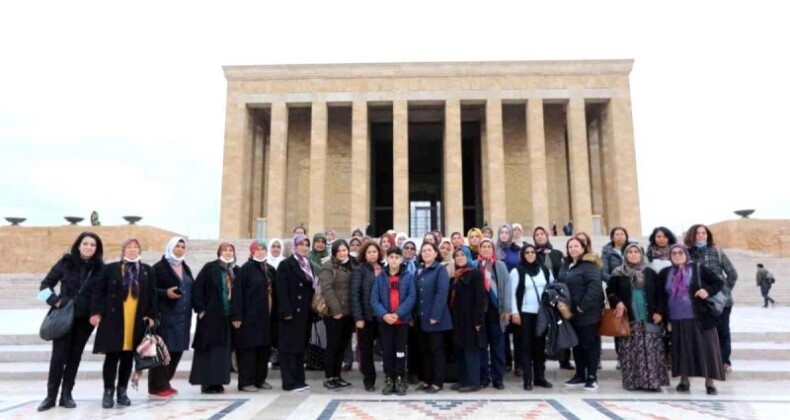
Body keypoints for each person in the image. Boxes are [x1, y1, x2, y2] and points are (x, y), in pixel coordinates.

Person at [38, 232, 104, 411]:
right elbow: (44, 285)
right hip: (64, 316)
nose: (89, 247)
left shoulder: (100, 268)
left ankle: (66, 395)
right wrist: (54, 301)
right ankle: (50, 396)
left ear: (97, 249)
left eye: (93, 245)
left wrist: (97, 313)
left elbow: (101, 294)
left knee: (75, 357)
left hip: (85, 320)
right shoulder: (66, 262)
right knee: (58, 357)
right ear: (79, 245)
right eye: (86, 244)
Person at [91, 238, 157, 408]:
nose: (132, 249)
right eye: (129, 246)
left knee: (128, 358)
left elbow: (152, 295)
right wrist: (96, 312)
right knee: (112, 357)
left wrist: (151, 315)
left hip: (136, 319)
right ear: (123, 250)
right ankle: (108, 392)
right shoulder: (111, 269)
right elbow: (99, 292)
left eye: (136, 246)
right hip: (114, 319)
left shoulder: (146, 271)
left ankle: (122, 391)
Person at [658, 243, 725, 395]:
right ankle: (684, 381)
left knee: (706, 350)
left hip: (700, 317)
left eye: (680, 252)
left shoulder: (698, 269)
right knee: (682, 350)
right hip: (677, 319)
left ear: (686, 253)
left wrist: (707, 290)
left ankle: (710, 382)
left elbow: (719, 282)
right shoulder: (665, 273)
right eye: (673, 253)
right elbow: (662, 295)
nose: (677, 255)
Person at [608, 244, 669, 391]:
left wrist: (660, 312)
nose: (633, 254)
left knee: (650, 352)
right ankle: (633, 382)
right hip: (629, 319)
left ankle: (652, 383)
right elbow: (610, 292)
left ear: (641, 254)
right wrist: (618, 302)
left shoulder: (650, 272)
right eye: (630, 252)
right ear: (625, 255)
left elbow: (661, 295)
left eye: (636, 252)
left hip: (649, 317)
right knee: (630, 352)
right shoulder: (618, 273)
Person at [685, 224, 738, 373]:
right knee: (702, 330)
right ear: (691, 236)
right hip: (698, 301)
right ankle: (706, 360)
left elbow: (732, 274)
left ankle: (724, 361)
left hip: (721, 301)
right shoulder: (687, 254)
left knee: (722, 330)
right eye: (697, 233)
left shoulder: (717, 252)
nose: (701, 236)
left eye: (704, 233)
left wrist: (724, 291)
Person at [149, 237, 194, 397]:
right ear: (170, 247)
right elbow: (150, 290)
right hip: (166, 317)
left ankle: (165, 382)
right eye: (177, 246)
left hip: (183, 317)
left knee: (177, 350)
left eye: (182, 247)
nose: (180, 249)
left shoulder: (185, 267)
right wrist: (165, 293)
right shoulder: (159, 268)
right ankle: (156, 387)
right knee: (163, 352)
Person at [190, 242, 237, 394]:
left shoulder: (234, 271)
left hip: (226, 317)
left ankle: (218, 381)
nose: (228, 252)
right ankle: (207, 382)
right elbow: (197, 289)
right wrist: (201, 310)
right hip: (211, 317)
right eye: (225, 250)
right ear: (219, 252)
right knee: (209, 350)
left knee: (222, 352)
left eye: (231, 250)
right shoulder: (210, 268)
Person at [371, 246, 417, 395]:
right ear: (387, 259)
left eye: (397, 257)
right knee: (387, 351)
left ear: (401, 259)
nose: (394, 260)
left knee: (400, 352)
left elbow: (411, 297)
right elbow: (374, 299)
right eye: (391, 257)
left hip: (401, 322)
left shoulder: (408, 276)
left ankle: (399, 377)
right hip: (385, 322)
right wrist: (384, 314)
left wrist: (398, 314)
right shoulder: (380, 277)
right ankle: (389, 378)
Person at [559, 237, 603, 391]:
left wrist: (581, 307)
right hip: (570, 314)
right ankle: (579, 374)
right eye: (570, 246)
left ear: (583, 248)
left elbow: (595, 288)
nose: (573, 249)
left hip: (587, 314)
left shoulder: (589, 266)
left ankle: (591, 376)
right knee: (576, 345)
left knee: (589, 345)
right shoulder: (567, 266)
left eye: (576, 246)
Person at [232, 240, 275, 392]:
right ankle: (246, 382)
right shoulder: (246, 269)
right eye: (257, 249)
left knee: (263, 350)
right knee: (248, 351)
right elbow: (238, 293)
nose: (261, 251)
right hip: (249, 317)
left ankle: (260, 379)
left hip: (265, 318)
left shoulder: (268, 269)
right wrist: (236, 316)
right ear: (252, 252)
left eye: (263, 249)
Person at [509, 244, 554, 391]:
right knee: (526, 347)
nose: (530, 254)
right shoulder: (517, 272)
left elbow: (552, 287)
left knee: (540, 346)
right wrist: (515, 312)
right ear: (522, 255)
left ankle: (540, 377)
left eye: (532, 252)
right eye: (526, 252)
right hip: (524, 314)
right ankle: (527, 379)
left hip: (541, 313)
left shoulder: (544, 270)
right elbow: (511, 294)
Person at [274, 234, 315, 391]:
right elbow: (281, 290)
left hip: (304, 314)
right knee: (288, 348)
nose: (304, 247)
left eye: (306, 244)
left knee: (299, 347)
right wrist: (286, 311)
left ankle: (299, 379)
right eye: (301, 244)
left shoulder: (307, 264)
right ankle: (289, 382)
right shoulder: (286, 264)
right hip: (291, 313)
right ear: (294, 246)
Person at [414, 242, 453, 393]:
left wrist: (435, 315)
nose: (426, 252)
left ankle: (437, 382)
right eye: (424, 250)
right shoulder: (419, 270)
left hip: (435, 319)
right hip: (421, 319)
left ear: (436, 253)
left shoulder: (440, 270)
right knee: (424, 351)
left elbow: (442, 293)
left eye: (429, 250)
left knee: (436, 352)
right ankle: (426, 379)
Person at [533, 226, 573, 371]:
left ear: (547, 235)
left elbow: (562, 272)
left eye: (542, 234)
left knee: (560, 325)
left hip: (556, 293)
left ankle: (564, 359)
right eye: (536, 235)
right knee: (542, 328)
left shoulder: (557, 254)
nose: (539, 236)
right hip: (540, 296)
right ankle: (541, 359)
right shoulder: (532, 254)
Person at [319, 239, 355, 390]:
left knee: (342, 346)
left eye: (344, 250)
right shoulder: (328, 266)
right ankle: (329, 377)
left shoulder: (353, 264)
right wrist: (336, 310)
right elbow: (326, 289)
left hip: (349, 313)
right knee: (332, 346)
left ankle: (337, 375)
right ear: (334, 252)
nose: (342, 253)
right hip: (335, 314)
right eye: (339, 250)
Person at [449, 248, 486, 392]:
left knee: (472, 351)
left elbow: (480, 299)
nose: (459, 257)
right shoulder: (456, 275)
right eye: (456, 255)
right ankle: (462, 380)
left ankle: (474, 382)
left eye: (462, 255)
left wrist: (478, 321)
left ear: (468, 256)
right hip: (458, 319)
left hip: (471, 319)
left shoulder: (475, 273)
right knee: (460, 349)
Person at [477, 238, 512, 389]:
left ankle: (498, 378)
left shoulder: (500, 266)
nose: (485, 249)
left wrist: (507, 308)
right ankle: (484, 377)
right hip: (480, 313)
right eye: (483, 247)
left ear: (492, 249)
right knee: (482, 347)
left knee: (498, 346)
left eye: (488, 247)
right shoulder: (475, 265)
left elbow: (506, 286)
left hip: (496, 312)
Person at [351, 241, 383, 391]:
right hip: (366, 317)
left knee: (387, 348)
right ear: (364, 254)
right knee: (366, 349)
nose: (372, 254)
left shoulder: (385, 269)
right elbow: (355, 295)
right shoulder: (360, 270)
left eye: (374, 251)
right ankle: (369, 379)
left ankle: (391, 377)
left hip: (383, 316)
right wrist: (358, 317)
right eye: (369, 252)